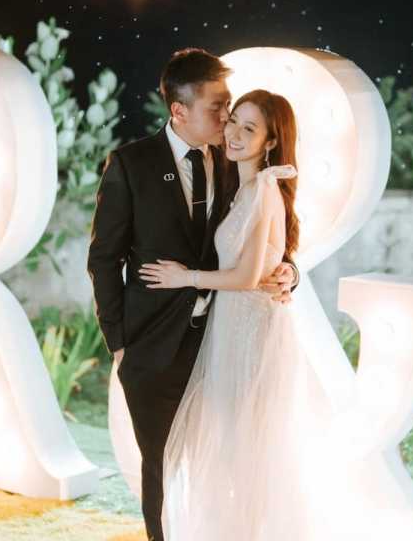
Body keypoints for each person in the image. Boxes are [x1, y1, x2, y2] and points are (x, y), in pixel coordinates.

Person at [86, 49, 297, 541]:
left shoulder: (236, 159)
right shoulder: (131, 164)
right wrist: (120, 343)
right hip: (153, 348)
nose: (226, 120)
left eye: (230, 107)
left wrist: (289, 270)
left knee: (228, 466)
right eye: (217, 108)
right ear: (179, 110)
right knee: (159, 468)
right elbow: (103, 261)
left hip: (224, 345)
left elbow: (269, 236)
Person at [139, 89, 310, 541]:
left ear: (271, 142)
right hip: (227, 327)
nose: (233, 132)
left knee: (245, 450)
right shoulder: (237, 182)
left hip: (251, 331)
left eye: (249, 128)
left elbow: (251, 274)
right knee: (228, 446)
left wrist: (185, 277)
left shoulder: (264, 190)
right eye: (233, 120)